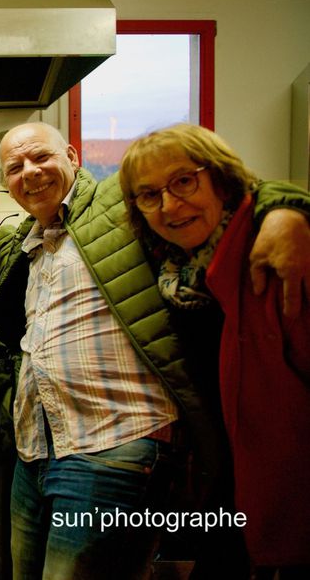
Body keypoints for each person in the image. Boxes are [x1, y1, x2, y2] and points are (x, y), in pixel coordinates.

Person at [0, 122, 310, 580]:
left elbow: (244, 189)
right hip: (38, 447)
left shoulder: (119, 202)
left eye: (41, 158)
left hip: (111, 446)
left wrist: (287, 212)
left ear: (72, 156)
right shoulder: (34, 241)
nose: (29, 172)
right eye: (15, 167)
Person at [119, 124, 310, 578]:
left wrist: (290, 211)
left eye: (184, 181)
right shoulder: (175, 269)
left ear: (220, 179)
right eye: (149, 195)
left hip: (288, 491)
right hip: (225, 477)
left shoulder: (274, 256)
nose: (168, 205)